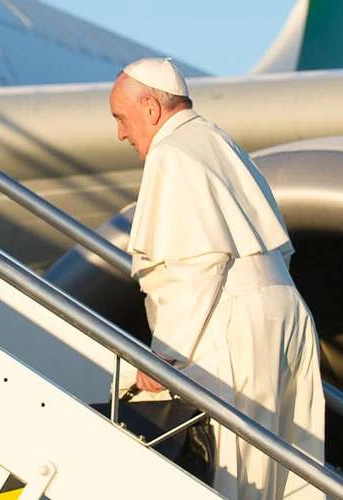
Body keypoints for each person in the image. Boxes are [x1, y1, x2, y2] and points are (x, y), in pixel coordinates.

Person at [109, 57, 326, 500]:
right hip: (284, 311)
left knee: (233, 476)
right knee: (287, 477)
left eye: (121, 118)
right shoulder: (216, 140)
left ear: (150, 108)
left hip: (235, 321)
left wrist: (165, 358)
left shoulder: (171, 151)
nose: (121, 134)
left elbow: (195, 265)